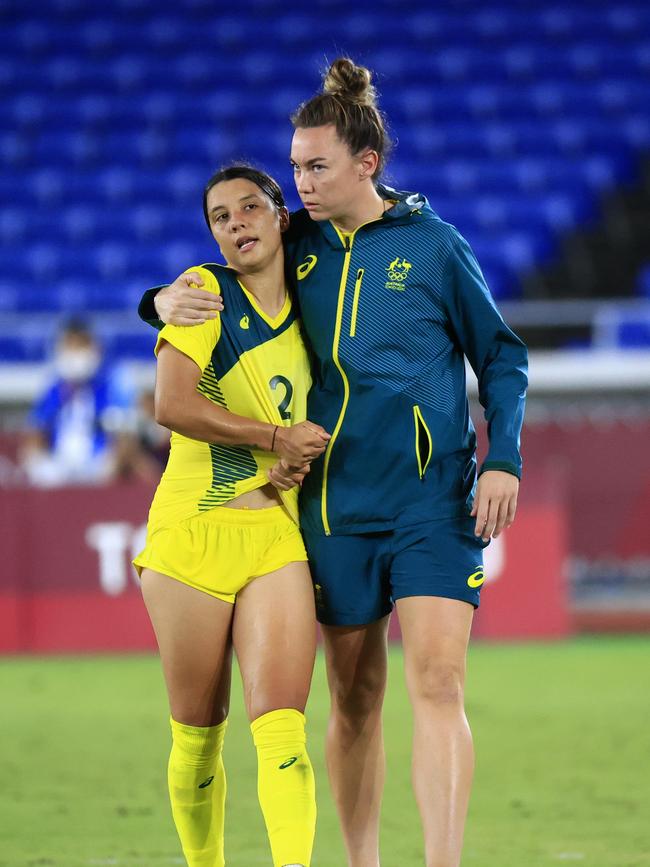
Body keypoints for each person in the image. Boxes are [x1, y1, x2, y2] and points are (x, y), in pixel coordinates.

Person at [139, 59, 528, 867]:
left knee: (439, 680)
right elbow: (217, 273)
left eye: (316, 167)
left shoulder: (434, 246)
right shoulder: (298, 242)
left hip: (431, 500)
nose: (300, 184)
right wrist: (152, 302)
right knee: (353, 699)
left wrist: (505, 458)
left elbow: (502, 356)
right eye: (294, 169)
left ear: (366, 164)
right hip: (331, 509)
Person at [133, 164, 330, 867]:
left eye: (251, 206)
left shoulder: (317, 303)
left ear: (282, 217)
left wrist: (295, 460)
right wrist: (276, 439)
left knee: (283, 730)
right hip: (193, 535)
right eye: (221, 215)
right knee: (199, 733)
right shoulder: (204, 291)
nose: (237, 222)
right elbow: (171, 406)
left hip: (276, 529)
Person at [20, 318, 128, 487]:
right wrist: (40, 462)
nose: (76, 353)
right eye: (70, 346)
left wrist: (109, 464)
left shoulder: (112, 385)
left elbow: (123, 431)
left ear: (95, 349)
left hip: (98, 465)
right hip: (58, 466)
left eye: (81, 346)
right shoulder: (53, 388)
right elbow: (36, 429)